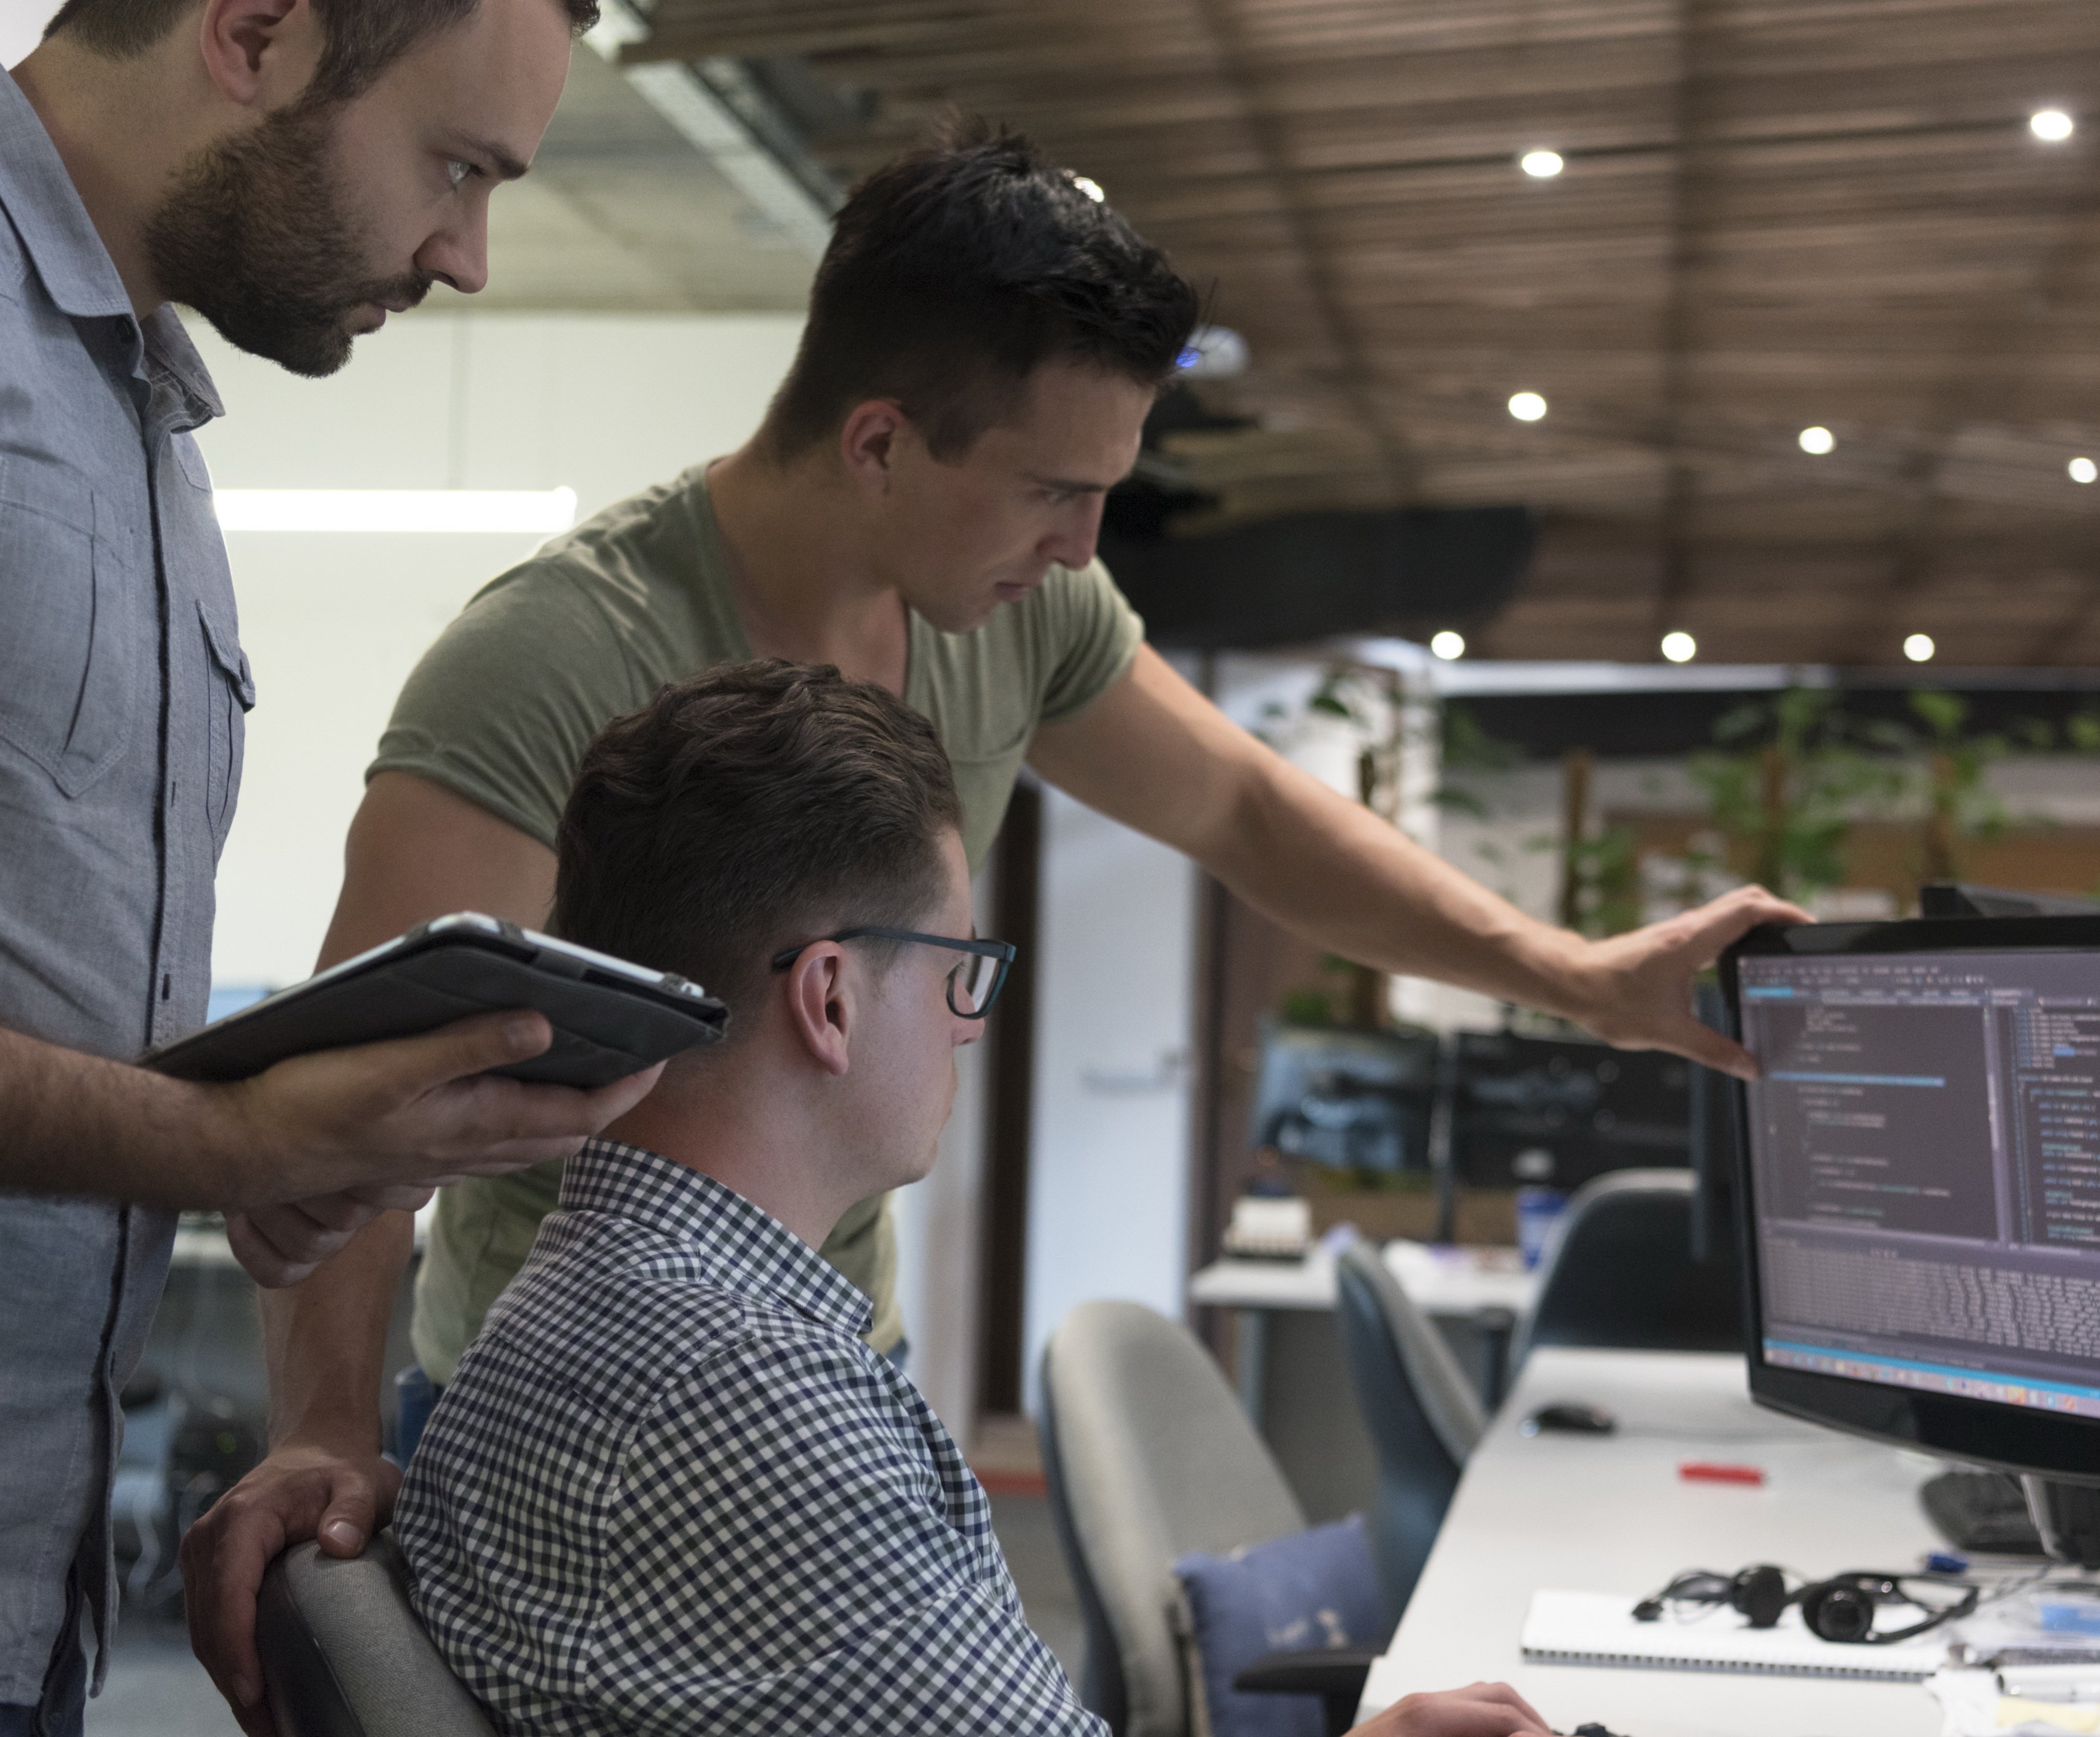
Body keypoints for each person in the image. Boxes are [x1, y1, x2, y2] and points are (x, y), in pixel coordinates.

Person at [184, 119, 1807, 1722]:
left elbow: (1242, 809)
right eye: (1050, 487)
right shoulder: (555, 658)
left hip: (815, 1360)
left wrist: (1577, 977)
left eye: (1104, 490)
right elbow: (364, 1092)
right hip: (617, 1396)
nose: (1083, 541)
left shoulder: (1015, 606)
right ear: (880, 443)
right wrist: (324, 1429)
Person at [0, 1, 639, 1730]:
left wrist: (281, 1153)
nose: (468, 254)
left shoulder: (145, 437)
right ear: (257, 34)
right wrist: (201, 1140)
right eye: (454, 165)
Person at [398, 659, 1553, 1737]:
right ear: (832, 999)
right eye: (958, 969)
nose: (967, 1021)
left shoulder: (574, 1297)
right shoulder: (740, 1390)